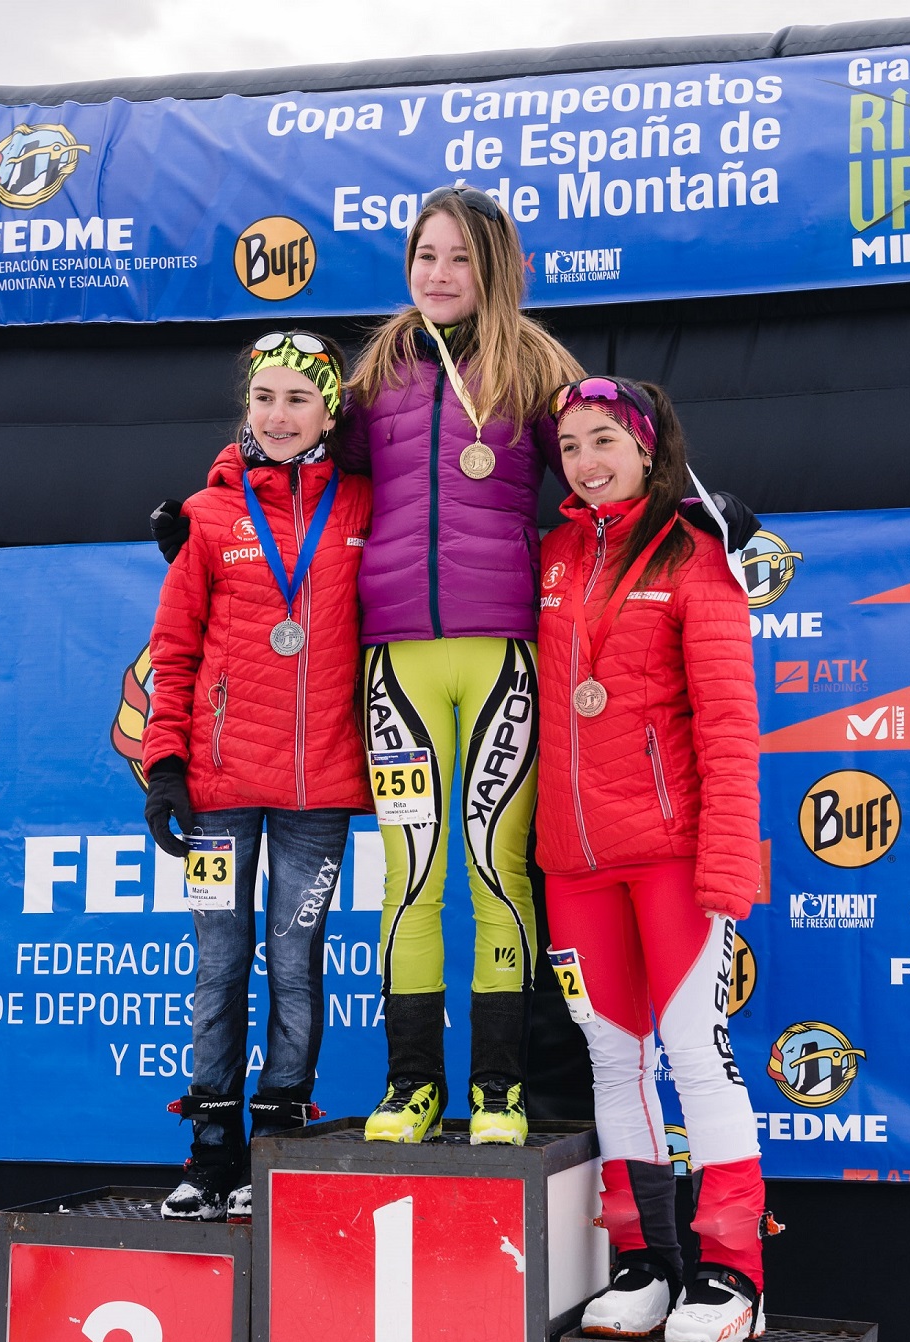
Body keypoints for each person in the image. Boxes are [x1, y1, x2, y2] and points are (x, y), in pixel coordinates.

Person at [344, 186, 585, 1146]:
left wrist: (695, 507)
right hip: (396, 655)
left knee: (497, 868)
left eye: (459, 258)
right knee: (414, 872)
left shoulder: (538, 368)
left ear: (494, 268)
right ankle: (410, 1086)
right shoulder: (375, 374)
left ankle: (498, 1088)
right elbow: (300, 464)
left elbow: (608, 462)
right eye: (425, 256)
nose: (439, 275)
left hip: (502, 653)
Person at [535, 374, 771, 1342]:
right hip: (575, 860)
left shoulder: (692, 551)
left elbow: (726, 721)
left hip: (671, 857)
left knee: (694, 1057)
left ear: (646, 447)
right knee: (612, 1059)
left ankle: (728, 1272)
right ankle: (642, 1261)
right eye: (570, 449)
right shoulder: (547, 552)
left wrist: (725, 866)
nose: (587, 464)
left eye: (604, 442)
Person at [141, 331, 372, 1219]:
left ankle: (273, 1144)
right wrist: (164, 763)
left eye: (298, 399)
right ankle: (209, 1149)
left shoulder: (360, 504)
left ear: (328, 411)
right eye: (264, 397)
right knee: (218, 962)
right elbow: (175, 646)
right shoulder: (206, 516)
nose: (278, 415)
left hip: (320, 785)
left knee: (295, 960)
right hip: (221, 783)